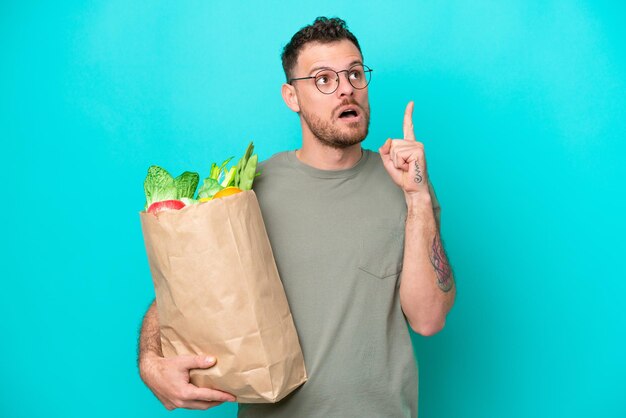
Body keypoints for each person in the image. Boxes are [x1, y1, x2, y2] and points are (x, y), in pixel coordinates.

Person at [138, 16, 456, 417]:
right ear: (292, 96)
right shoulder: (250, 190)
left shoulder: (408, 187)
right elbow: (189, 296)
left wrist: (418, 199)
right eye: (324, 79)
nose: (346, 89)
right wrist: (151, 363)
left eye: (355, 74)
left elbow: (428, 319)